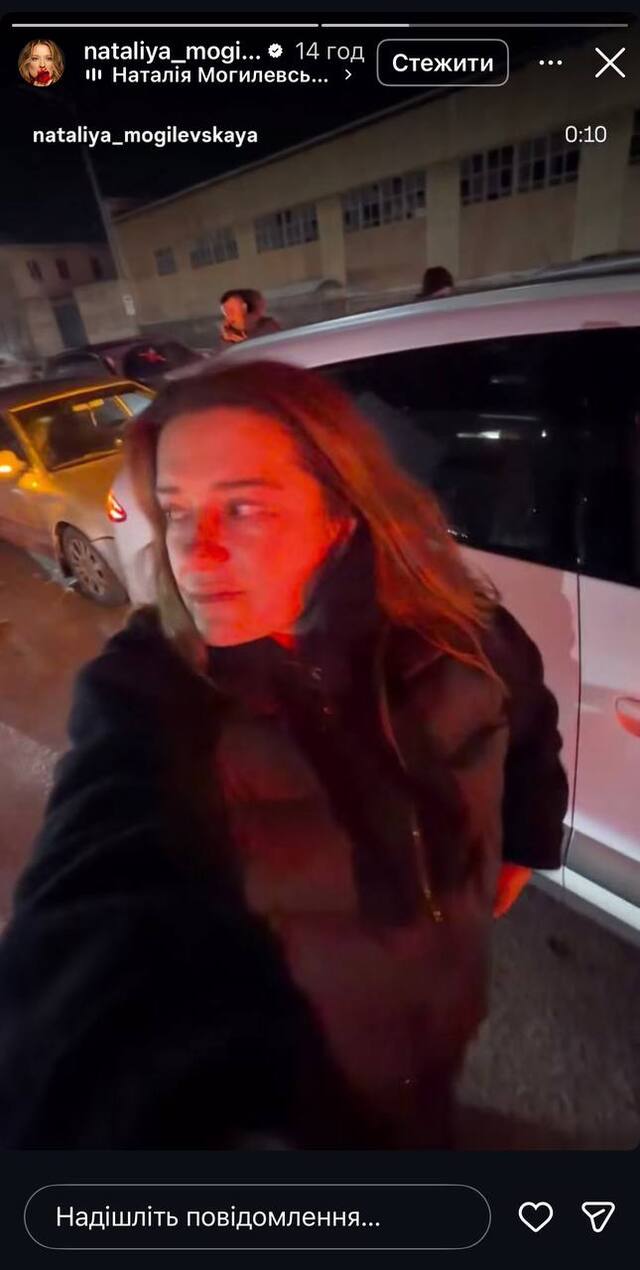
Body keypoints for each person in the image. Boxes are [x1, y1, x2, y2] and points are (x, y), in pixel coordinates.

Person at [0, 361, 567, 1149]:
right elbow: (88, 923)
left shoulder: (462, 631)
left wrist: (525, 842)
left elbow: (530, 723)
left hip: (437, 1034)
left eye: (242, 509)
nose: (195, 553)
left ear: (342, 514)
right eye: (176, 511)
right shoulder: (153, 696)